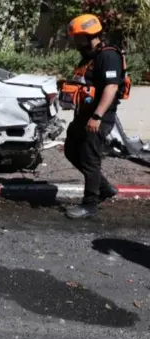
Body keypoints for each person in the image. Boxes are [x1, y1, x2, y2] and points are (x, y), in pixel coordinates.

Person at [59, 14, 131, 219]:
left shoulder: (108, 56)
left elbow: (111, 87)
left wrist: (97, 117)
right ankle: (105, 188)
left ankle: (90, 203)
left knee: (90, 158)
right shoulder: (90, 56)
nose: (74, 42)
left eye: (77, 37)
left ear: (87, 35)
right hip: (83, 115)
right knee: (72, 150)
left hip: (99, 117)